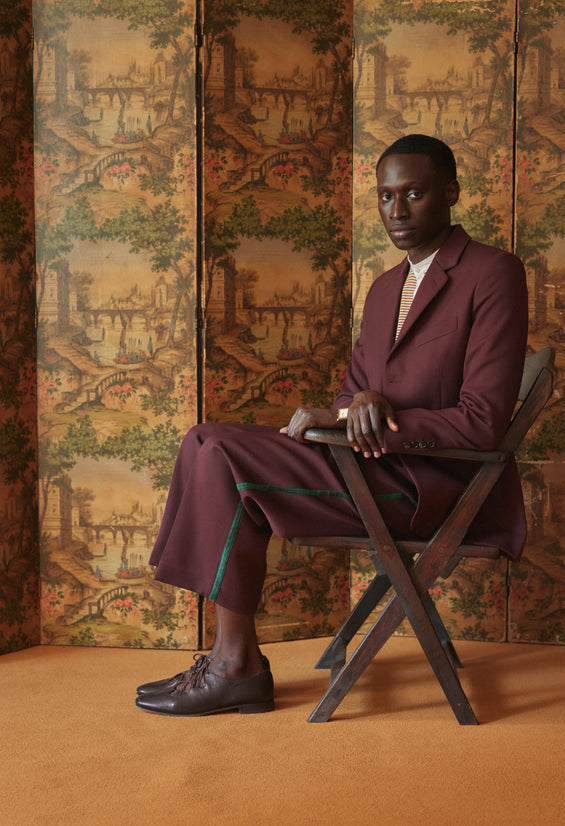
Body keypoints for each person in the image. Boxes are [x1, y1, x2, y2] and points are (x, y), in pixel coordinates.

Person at [135, 134, 528, 716]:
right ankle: (231, 657)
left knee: (219, 452)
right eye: (386, 196)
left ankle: (234, 665)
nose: (397, 211)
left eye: (414, 194)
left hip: (430, 486)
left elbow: (483, 423)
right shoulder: (383, 290)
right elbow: (353, 397)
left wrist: (383, 420)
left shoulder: (493, 273)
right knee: (203, 437)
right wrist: (351, 409)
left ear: (450, 193)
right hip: (365, 467)